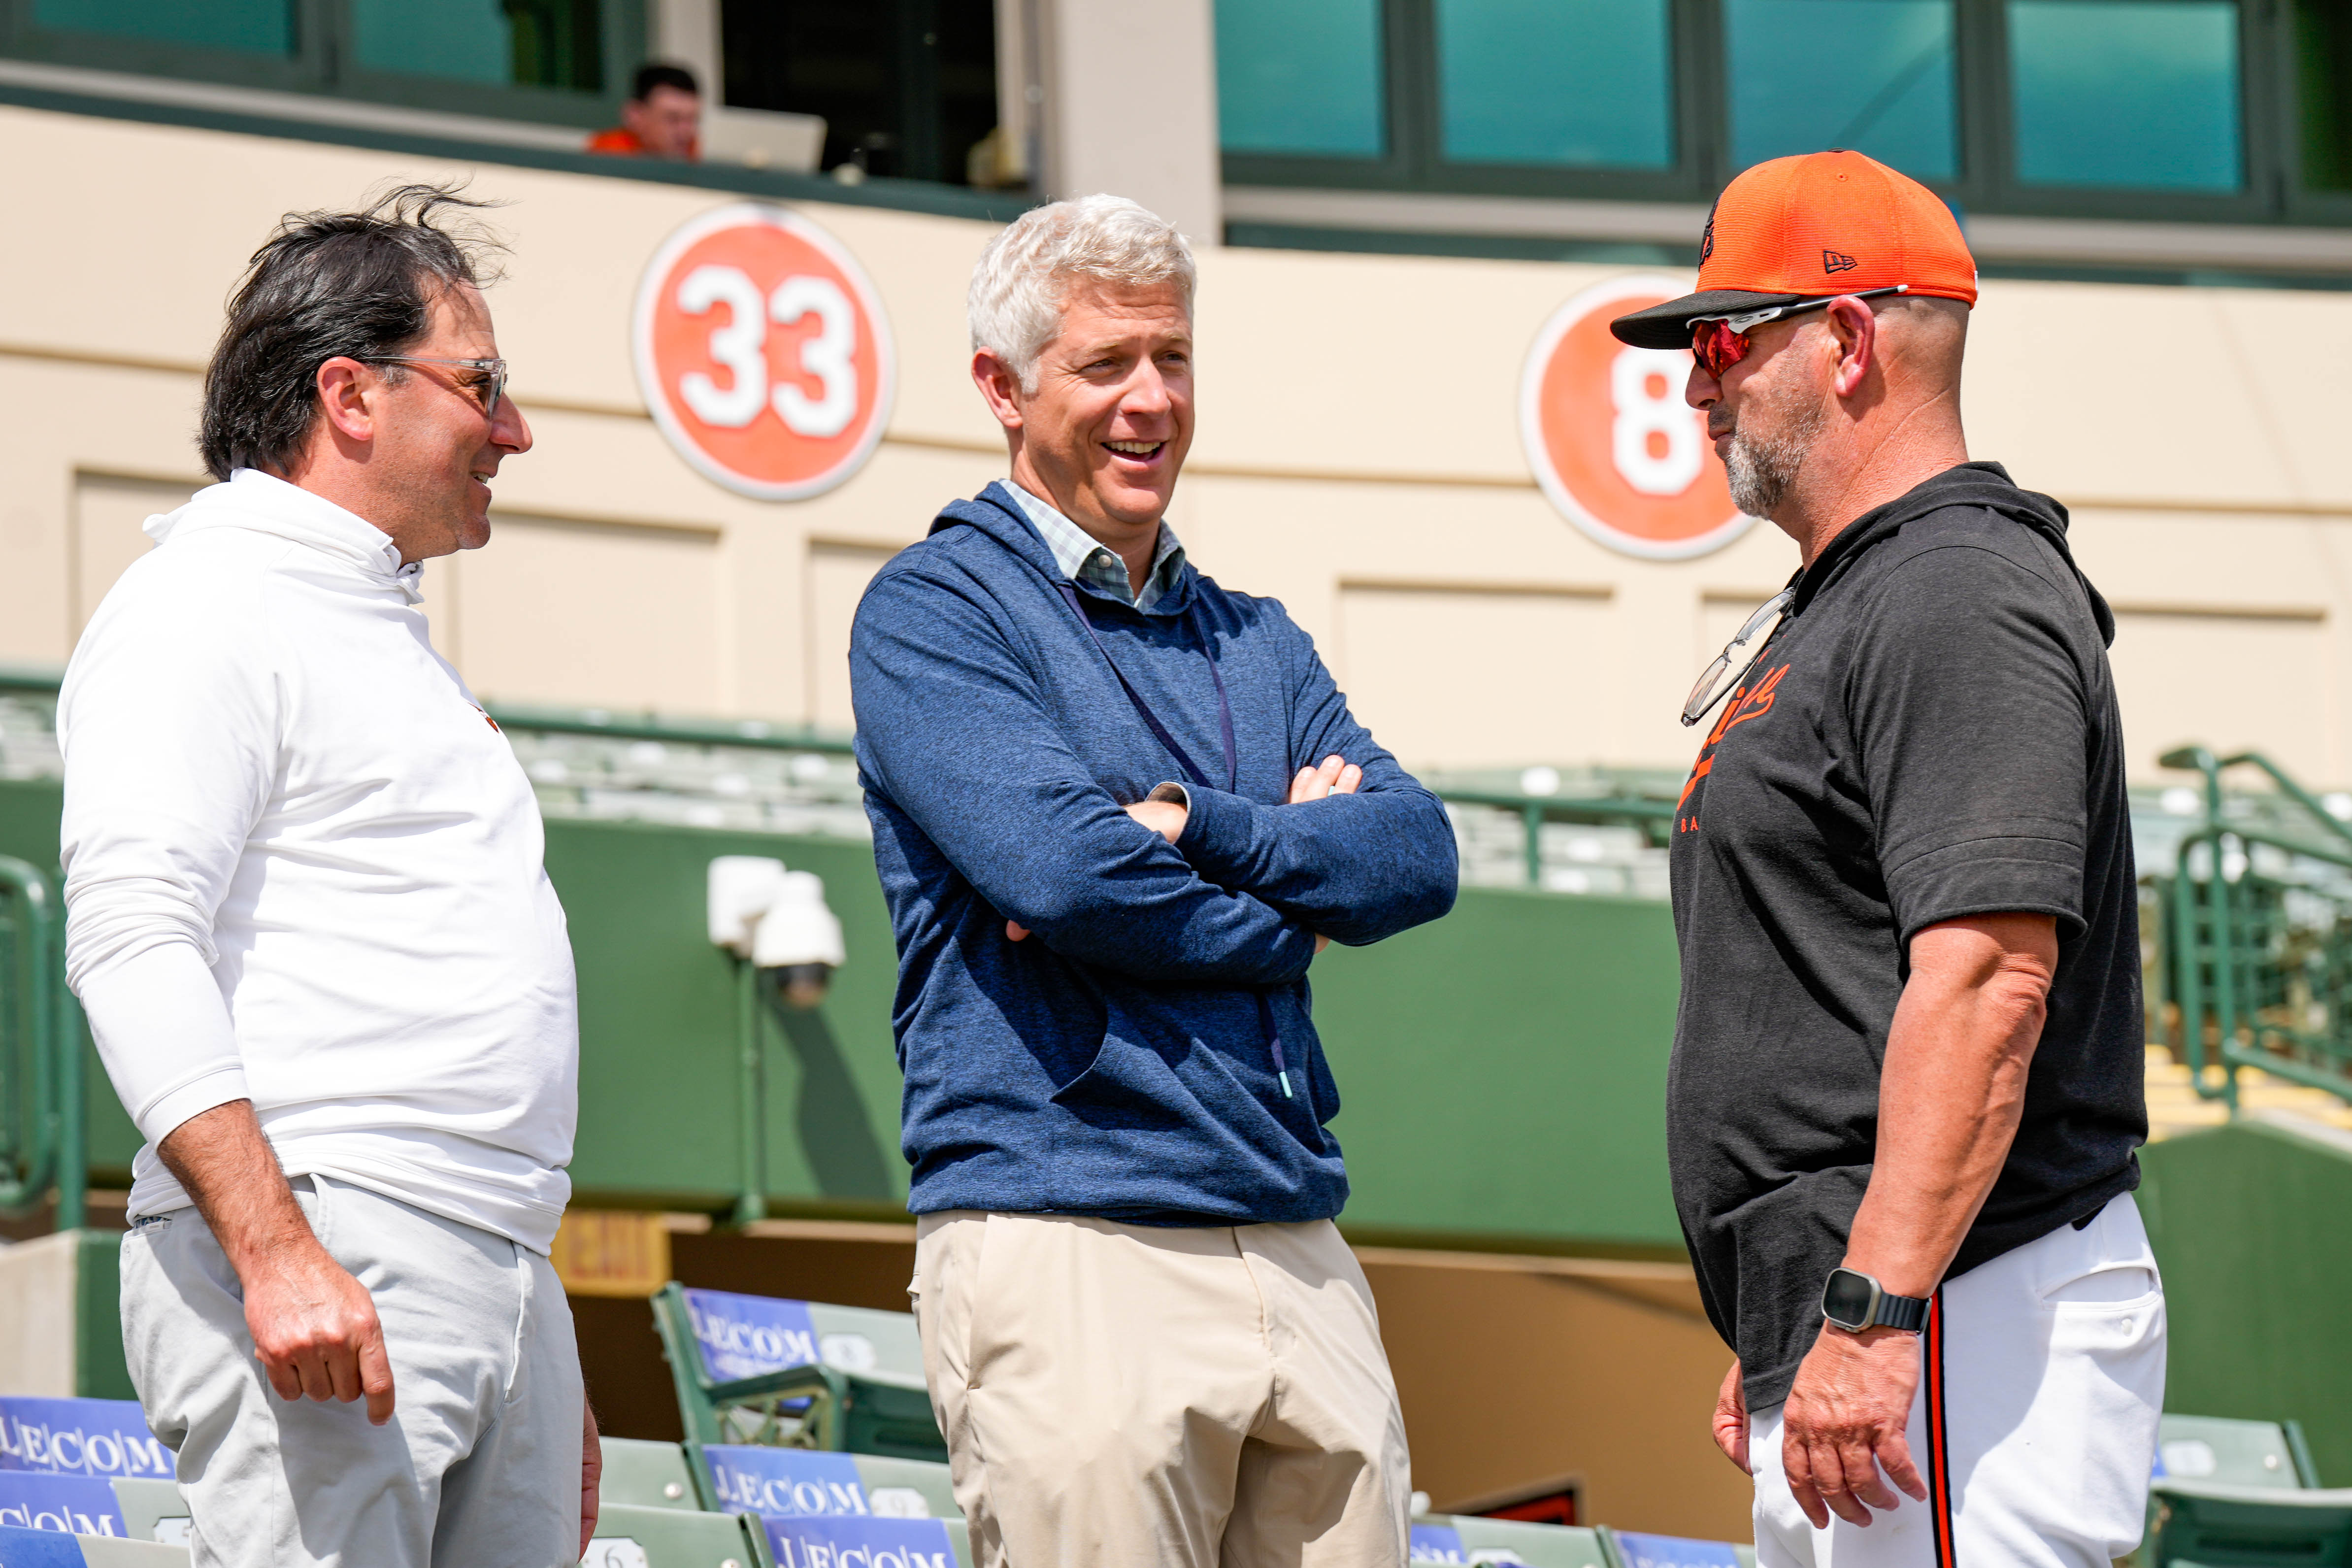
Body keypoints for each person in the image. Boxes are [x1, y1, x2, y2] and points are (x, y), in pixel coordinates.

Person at [849, 194, 1459, 1566]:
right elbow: (1062, 873)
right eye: (1106, 363)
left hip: (1294, 1232)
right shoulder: (934, 608)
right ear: (999, 389)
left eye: (1171, 359)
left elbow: (1417, 854)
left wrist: (1194, 827)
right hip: (1065, 1225)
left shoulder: (1257, 634)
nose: (1150, 400)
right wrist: (1297, 901)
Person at [1611, 150, 2159, 1567]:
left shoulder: (1956, 586)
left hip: (1957, 1314)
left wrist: (1870, 1304)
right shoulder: (1868, 591)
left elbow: (1983, 981)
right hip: (1890, 1313)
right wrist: (1800, 1299)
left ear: (1848, 341)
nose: (1693, 383)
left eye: (1723, 340)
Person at [58, 185, 597, 1568]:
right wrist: (277, 1248)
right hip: (333, 1239)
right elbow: (129, 934)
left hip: (481, 1261)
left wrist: (529, 1314)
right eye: (483, 384)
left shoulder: (362, 621)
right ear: (349, 393)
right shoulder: (205, 604)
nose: (514, 430)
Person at [587, 62, 701, 160]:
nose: (685, 132)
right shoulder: (608, 154)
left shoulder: (689, 152)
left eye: (692, 119)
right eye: (673, 119)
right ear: (635, 116)